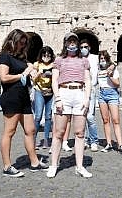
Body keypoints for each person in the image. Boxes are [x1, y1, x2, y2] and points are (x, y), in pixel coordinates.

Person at [0, 29, 48, 177]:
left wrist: (35, 73)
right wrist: (22, 74)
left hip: (24, 97)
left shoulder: (22, 58)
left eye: (24, 44)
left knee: (30, 130)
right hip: (11, 97)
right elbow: (4, 78)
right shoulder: (5, 56)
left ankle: (34, 162)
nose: (22, 46)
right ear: (13, 41)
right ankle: (7, 166)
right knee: (10, 131)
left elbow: (30, 75)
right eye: (20, 42)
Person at [47, 32, 92, 178]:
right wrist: (58, 98)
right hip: (64, 93)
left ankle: (79, 166)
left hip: (79, 93)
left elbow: (88, 80)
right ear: (65, 43)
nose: (72, 43)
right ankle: (53, 165)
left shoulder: (84, 60)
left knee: (80, 133)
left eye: (74, 41)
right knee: (58, 133)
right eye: (69, 41)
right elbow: (54, 80)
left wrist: (87, 98)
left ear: (77, 43)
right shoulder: (59, 60)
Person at [96, 50, 122, 155]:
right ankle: (108, 143)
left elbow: (117, 84)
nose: (102, 60)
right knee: (105, 120)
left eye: (104, 59)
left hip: (112, 94)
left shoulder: (113, 70)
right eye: (101, 59)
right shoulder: (97, 69)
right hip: (101, 94)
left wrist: (109, 75)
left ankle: (120, 144)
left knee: (115, 120)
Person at [32, 46, 55, 150]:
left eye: (48, 54)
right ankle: (33, 140)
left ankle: (46, 140)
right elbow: (33, 79)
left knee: (48, 117)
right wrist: (40, 73)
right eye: (44, 54)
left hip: (50, 91)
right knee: (38, 116)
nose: (46, 56)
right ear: (41, 55)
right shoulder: (37, 64)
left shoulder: (54, 65)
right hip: (39, 91)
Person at [79, 39, 99, 152]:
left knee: (90, 116)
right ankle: (84, 139)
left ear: (89, 47)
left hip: (91, 89)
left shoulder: (95, 58)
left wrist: (111, 66)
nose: (83, 49)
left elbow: (108, 62)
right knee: (82, 115)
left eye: (85, 47)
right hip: (80, 90)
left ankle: (94, 141)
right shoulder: (78, 59)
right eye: (81, 47)